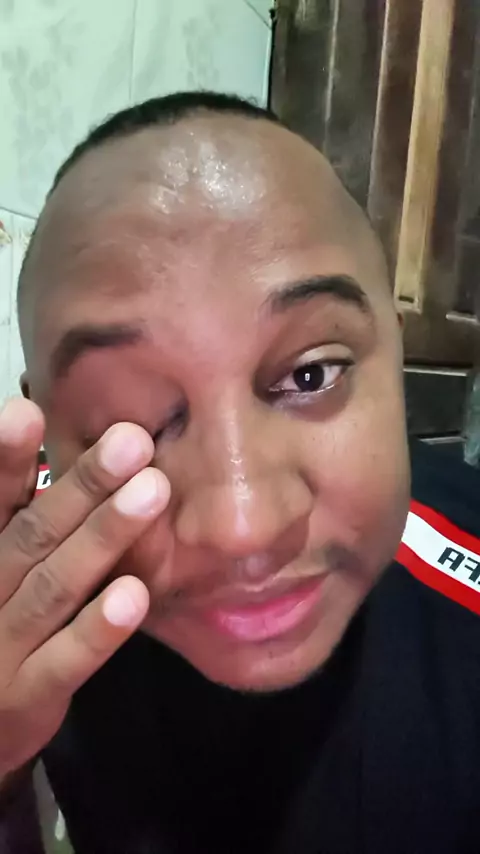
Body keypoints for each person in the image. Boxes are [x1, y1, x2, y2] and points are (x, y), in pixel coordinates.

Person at [1, 91, 480, 854]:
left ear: (393, 350)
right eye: (130, 424)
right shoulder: (21, 592)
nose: (243, 529)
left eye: (312, 376)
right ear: (48, 438)